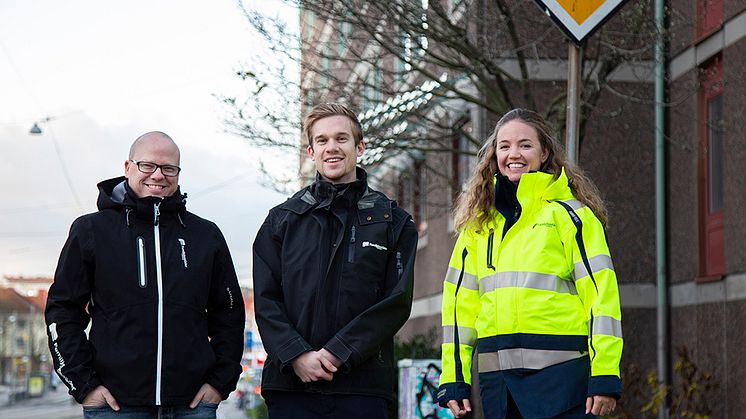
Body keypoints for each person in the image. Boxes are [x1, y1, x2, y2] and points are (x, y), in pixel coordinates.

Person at [437, 109, 623, 418]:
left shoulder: (572, 217)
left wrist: (605, 374)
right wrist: (454, 378)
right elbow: (459, 308)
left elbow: (601, 299)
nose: (514, 154)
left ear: (545, 152)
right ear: (494, 153)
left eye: (525, 145)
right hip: (499, 388)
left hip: (562, 381)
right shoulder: (478, 226)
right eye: (505, 146)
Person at [45, 131, 245, 418]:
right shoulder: (91, 230)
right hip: (115, 405)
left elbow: (229, 312)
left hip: (191, 406)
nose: (158, 175)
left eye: (168, 168)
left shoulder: (205, 235)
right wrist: (84, 384)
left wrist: (220, 382)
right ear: (128, 168)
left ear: (178, 173)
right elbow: (63, 310)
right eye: (147, 166)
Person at [253, 103, 418, 419]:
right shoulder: (281, 222)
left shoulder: (393, 222)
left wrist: (338, 352)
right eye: (323, 140)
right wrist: (297, 355)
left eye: (341, 139)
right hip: (291, 388)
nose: (332, 147)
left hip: (362, 390)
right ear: (311, 151)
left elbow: (396, 301)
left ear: (360, 147)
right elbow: (266, 300)